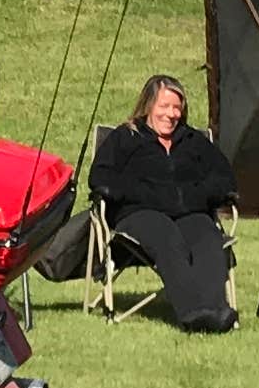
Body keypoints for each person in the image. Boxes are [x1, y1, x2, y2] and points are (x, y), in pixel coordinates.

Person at [88, 74, 240, 331]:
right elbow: (101, 177)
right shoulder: (126, 137)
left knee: (208, 239)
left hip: (189, 210)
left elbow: (225, 179)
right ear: (149, 106)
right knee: (167, 237)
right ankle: (193, 313)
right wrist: (141, 193)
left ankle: (217, 311)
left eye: (176, 107)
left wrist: (194, 195)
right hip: (140, 212)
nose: (171, 114)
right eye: (164, 106)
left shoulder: (193, 141)